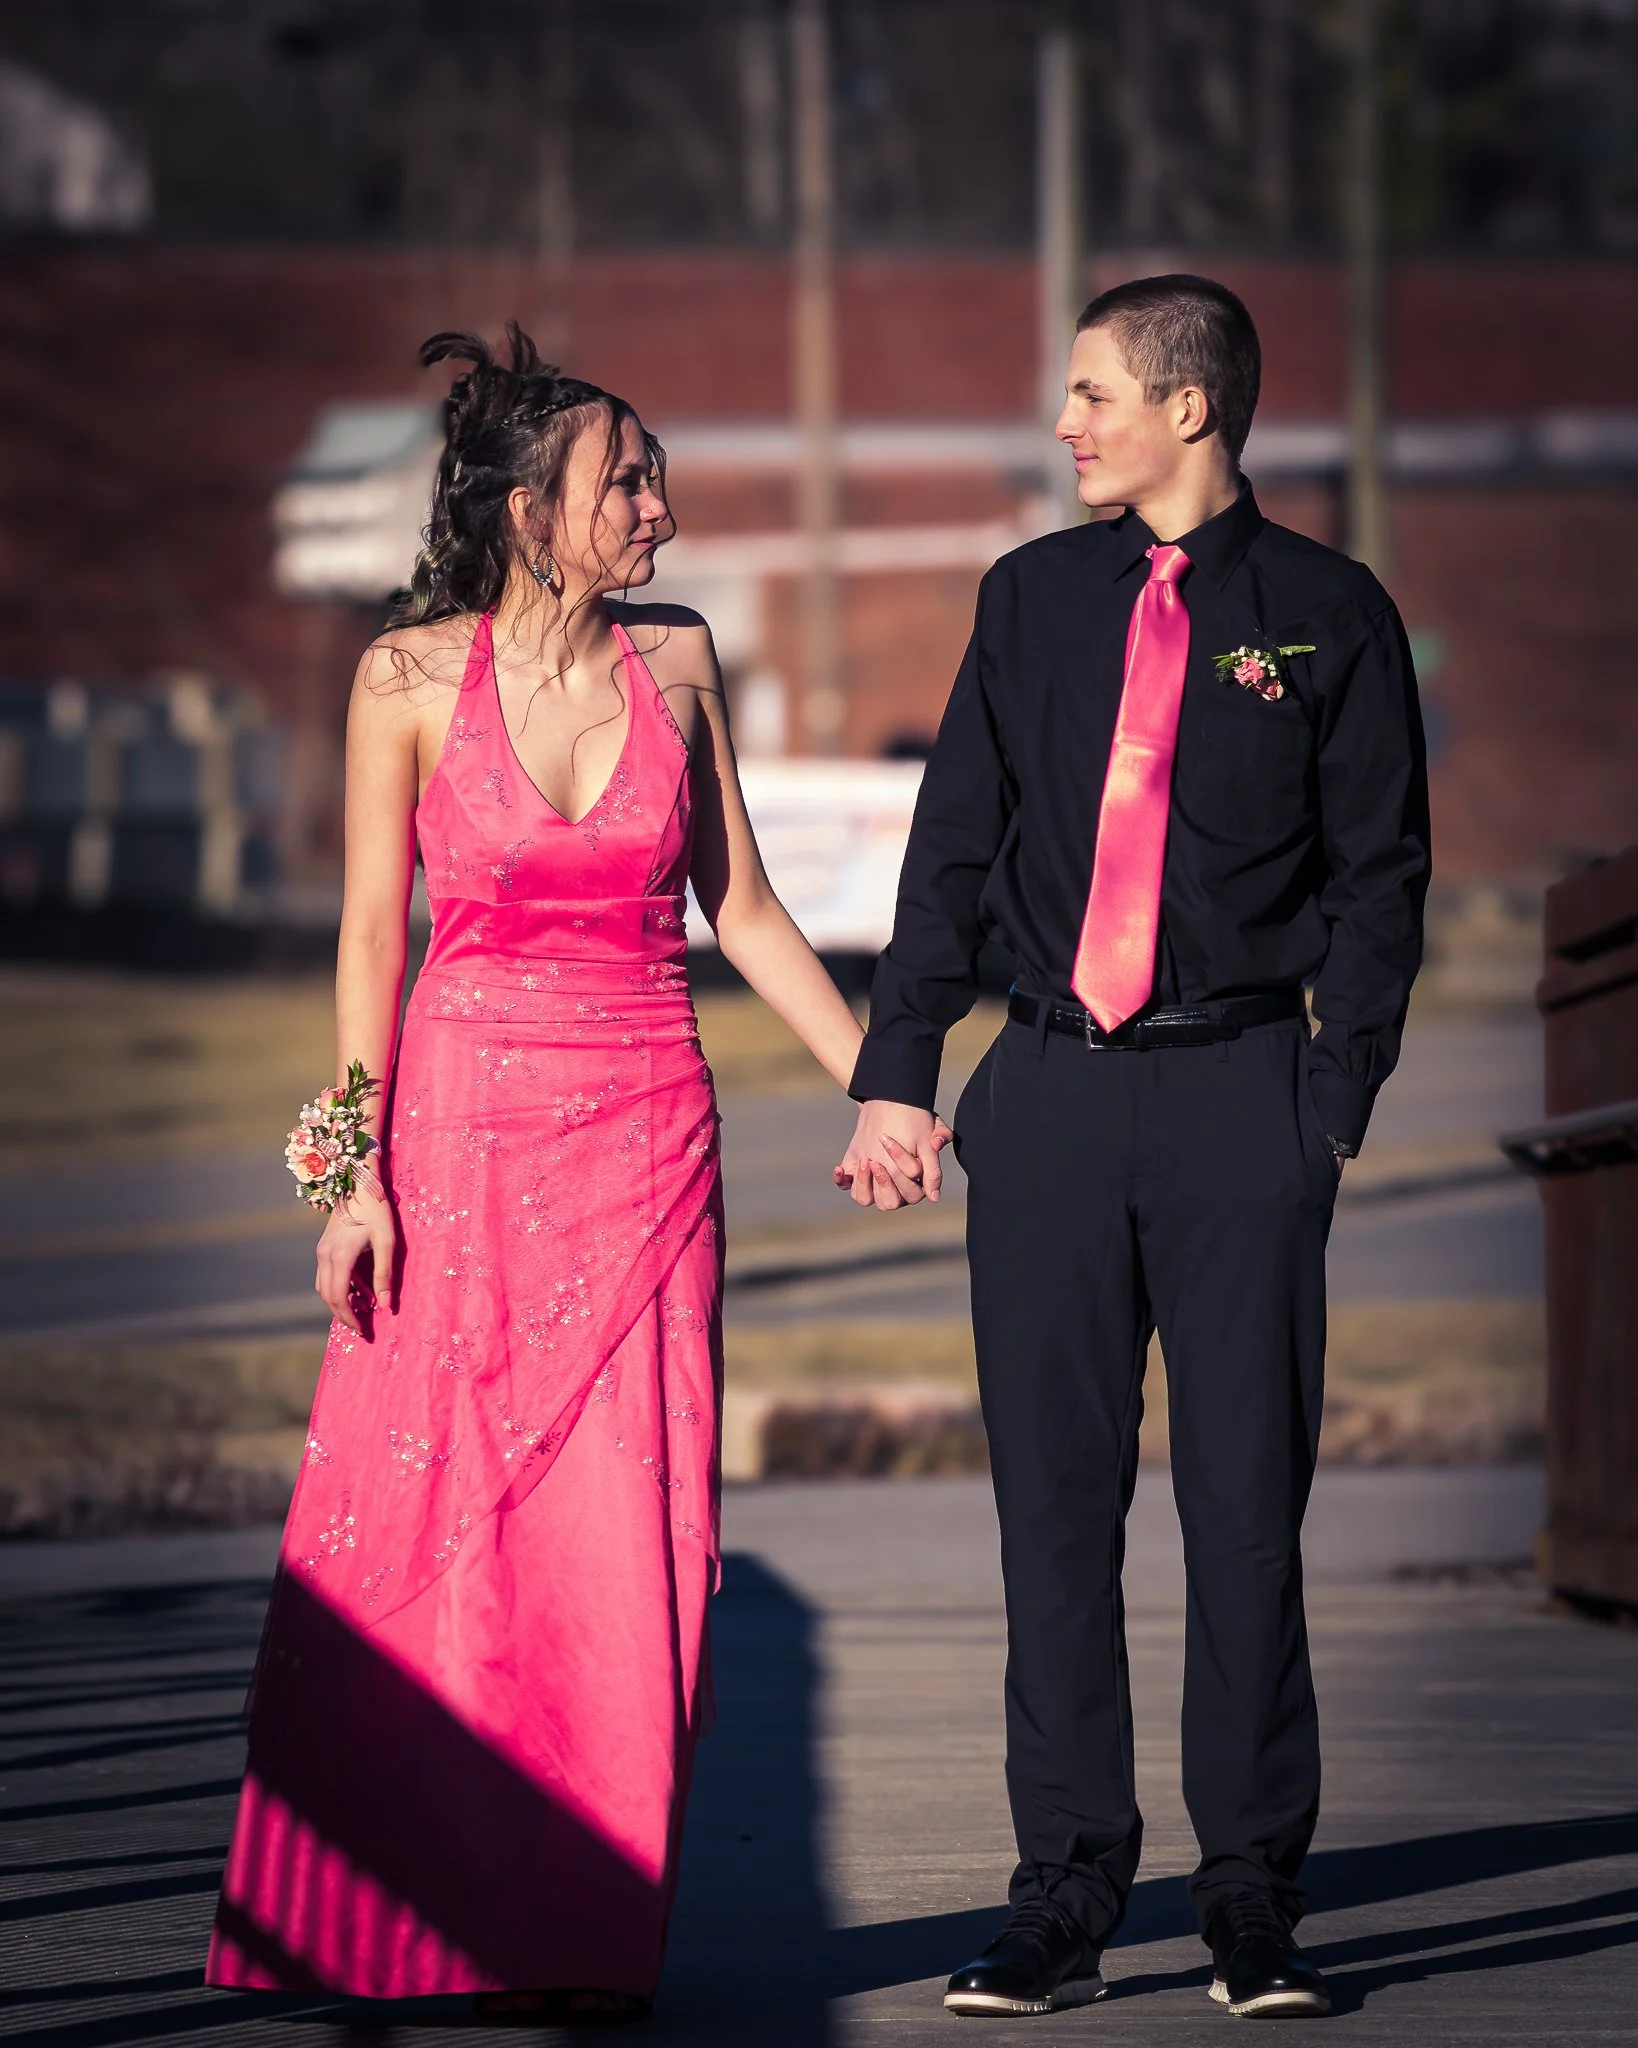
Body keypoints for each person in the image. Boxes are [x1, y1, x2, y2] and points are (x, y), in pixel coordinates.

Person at [207, 326, 879, 2018]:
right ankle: (400, 1927)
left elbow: (745, 912)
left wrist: (888, 1088)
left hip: (649, 1146)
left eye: (653, 474)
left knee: (619, 1550)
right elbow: (373, 936)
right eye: (624, 478)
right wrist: (347, 1174)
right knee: (437, 1522)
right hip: (457, 1152)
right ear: (530, 511)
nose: (659, 503)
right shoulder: (405, 680)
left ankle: (586, 1933)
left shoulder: (684, 664)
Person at [837, 275, 1430, 2018]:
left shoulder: (1328, 613)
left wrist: (1331, 1106)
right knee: (1052, 1522)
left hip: (1242, 1099)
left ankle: (1250, 1892)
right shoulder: (1026, 602)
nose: (1065, 422)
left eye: (1091, 392)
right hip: (1047, 1103)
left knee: (1246, 1519)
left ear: (1190, 407)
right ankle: (1064, 1894)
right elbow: (954, 848)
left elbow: (1379, 881)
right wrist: (898, 1071)